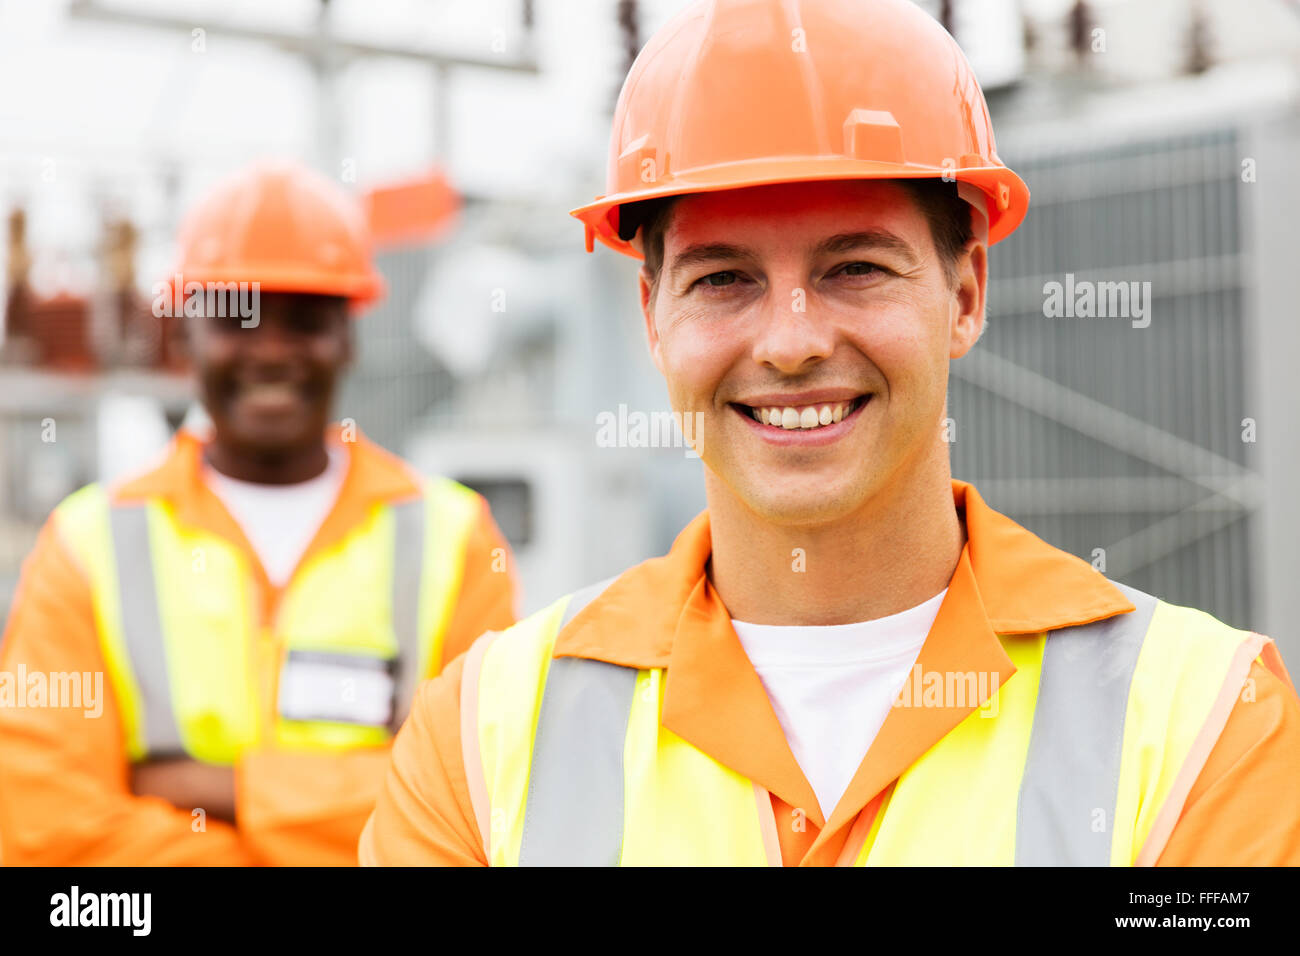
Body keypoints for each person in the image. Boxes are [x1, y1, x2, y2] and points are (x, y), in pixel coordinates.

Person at [360, 0, 1299, 866]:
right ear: (653, 318)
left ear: (965, 294)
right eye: (723, 279)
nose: (794, 342)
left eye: (855, 267)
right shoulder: (480, 743)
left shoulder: (1204, 725)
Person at [0, 160, 518, 865]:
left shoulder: (454, 538)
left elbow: (484, 798)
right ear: (186, 337)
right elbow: (44, 827)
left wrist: (215, 788)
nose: (271, 352)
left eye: (304, 321)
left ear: (347, 339)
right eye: (236, 320)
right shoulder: (87, 545)